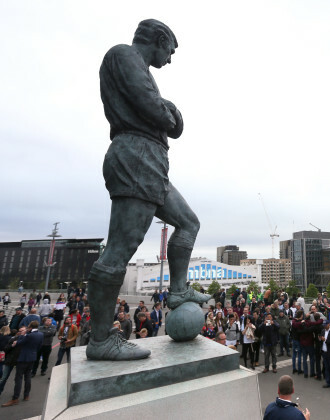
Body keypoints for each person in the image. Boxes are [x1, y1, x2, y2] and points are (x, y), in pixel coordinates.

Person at [87, 19, 210, 361]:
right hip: (136, 155)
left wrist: (169, 113)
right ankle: (100, 340)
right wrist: (167, 111)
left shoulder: (140, 68)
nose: (169, 59)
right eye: (169, 50)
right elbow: (157, 112)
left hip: (150, 160)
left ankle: (178, 290)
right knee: (120, 249)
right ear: (157, 40)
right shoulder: (123, 56)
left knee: (189, 222)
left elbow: (171, 123)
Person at [1, 321, 43, 407]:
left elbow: (19, 342)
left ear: (30, 327)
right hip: (31, 358)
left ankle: (15, 398)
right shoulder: (40, 334)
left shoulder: (28, 336)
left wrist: (22, 336)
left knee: (18, 378)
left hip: (23, 359)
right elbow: (39, 347)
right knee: (27, 377)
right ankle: (26, 395)